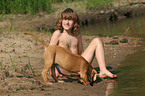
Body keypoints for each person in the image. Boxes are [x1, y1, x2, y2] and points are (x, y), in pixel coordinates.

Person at [49, 8, 117, 78]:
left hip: (77, 66)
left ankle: (103, 70)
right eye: (65, 19)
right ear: (61, 20)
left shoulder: (77, 35)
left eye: (70, 20)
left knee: (97, 40)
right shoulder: (58, 34)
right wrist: (53, 70)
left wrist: (88, 68)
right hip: (65, 68)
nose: (67, 22)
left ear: (74, 22)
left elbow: (81, 54)